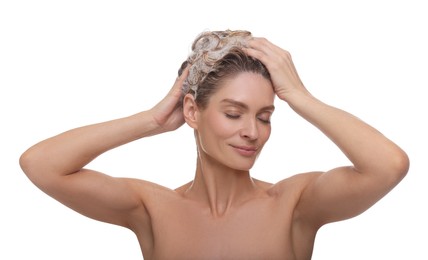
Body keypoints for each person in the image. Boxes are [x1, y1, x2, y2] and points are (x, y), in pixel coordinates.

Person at [19, 29, 409, 259]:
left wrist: (300, 95)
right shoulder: (152, 208)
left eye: (264, 116)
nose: (252, 132)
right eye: (234, 113)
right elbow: (40, 163)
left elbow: (388, 165)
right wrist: (152, 120)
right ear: (192, 111)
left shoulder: (295, 204)